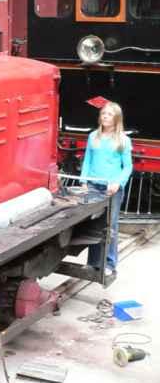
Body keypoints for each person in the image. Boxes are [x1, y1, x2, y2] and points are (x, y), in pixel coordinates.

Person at [79, 101, 133, 276]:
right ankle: (93, 263)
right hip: (93, 186)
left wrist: (118, 183)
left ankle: (109, 263)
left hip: (112, 188)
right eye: (103, 113)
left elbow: (128, 167)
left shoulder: (123, 140)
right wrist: (84, 181)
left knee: (110, 225)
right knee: (93, 224)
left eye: (109, 114)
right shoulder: (93, 136)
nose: (105, 117)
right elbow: (87, 160)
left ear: (116, 118)